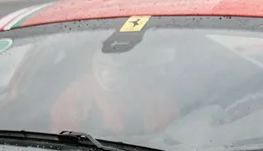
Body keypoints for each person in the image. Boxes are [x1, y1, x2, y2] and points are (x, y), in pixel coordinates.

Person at [51, 41, 179, 139]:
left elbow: (171, 137)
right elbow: (66, 144)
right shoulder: (76, 95)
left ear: (131, 67)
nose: (108, 73)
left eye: (117, 67)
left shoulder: (153, 93)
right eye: (102, 66)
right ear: (93, 65)